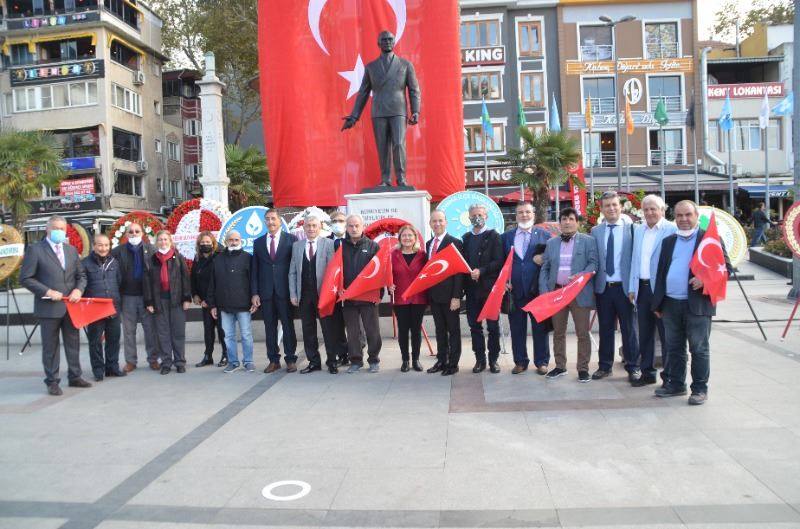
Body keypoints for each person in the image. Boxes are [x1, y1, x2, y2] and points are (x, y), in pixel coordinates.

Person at [652, 200, 730, 405]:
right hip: (670, 304)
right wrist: (658, 304)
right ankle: (677, 385)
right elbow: (661, 273)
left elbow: (725, 268)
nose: (684, 219)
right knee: (674, 348)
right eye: (679, 215)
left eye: (688, 215)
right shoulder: (668, 242)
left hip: (697, 305)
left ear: (696, 216)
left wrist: (705, 279)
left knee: (699, 349)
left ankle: (699, 389)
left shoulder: (709, 239)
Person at [20, 215, 90, 395]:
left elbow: (81, 275)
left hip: (70, 306)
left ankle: (75, 376)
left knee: (73, 343)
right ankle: (52, 381)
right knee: (50, 347)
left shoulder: (71, 250)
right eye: (55, 228)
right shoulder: (35, 250)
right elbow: (26, 278)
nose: (59, 231)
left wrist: (78, 290)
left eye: (62, 229)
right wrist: (47, 291)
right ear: (47, 229)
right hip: (48, 308)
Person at [341, 30, 420, 187]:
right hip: (379, 111)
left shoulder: (405, 65)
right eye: (384, 40)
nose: (387, 42)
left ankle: (401, 178)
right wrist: (354, 116)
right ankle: (385, 179)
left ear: (394, 42)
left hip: (398, 110)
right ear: (379, 43)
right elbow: (363, 92)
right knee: (382, 146)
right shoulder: (371, 67)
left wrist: (415, 110)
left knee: (398, 143)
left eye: (390, 39)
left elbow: (414, 89)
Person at [539, 208, 599, 382]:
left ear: (577, 222)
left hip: (579, 292)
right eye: (564, 219)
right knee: (558, 332)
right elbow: (545, 267)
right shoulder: (551, 243)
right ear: (559, 223)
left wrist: (580, 276)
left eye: (571, 219)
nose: (567, 222)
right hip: (557, 293)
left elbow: (593, 264)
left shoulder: (588, 241)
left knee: (582, 333)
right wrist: (545, 292)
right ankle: (560, 366)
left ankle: (583, 368)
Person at [628, 195, 677, 387]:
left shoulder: (671, 229)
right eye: (646, 209)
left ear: (662, 210)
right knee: (645, 334)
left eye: (653, 209)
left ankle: (669, 376)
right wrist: (632, 287)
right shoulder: (639, 230)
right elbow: (635, 260)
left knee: (666, 335)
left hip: (662, 290)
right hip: (642, 288)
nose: (649, 213)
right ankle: (647, 373)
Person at [591, 191, 639, 381]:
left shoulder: (633, 230)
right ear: (601, 209)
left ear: (620, 207)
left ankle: (633, 366)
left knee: (630, 329)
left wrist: (634, 287)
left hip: (625, 289)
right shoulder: (596, 231)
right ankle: (605, 366)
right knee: (605, 329)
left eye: (614, 205)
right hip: (604, 288)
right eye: (607, 205)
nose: (611, 208)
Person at [501, 201, 551, 375]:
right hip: (514, 291)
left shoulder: (545, 235)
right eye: (520, 212)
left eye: (527, 212)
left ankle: (542, 362)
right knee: (517, 328)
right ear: (516, 216)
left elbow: (553, 259)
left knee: (540, 328)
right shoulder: (506, 237)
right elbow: (502, 262)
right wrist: (503, 281)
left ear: (533, 214)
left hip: (537, 291)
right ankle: (520, 361)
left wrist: (544, 258)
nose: (524, 215)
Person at [289, 214, 338, 374]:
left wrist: (331, 293)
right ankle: (314, 362)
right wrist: (293, 293)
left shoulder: (329, 244)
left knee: (328, 329)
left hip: (324, 295)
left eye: (314, 226)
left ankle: (332, 362)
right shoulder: (297, 246)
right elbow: (292, 272)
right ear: (303, 228)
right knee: (308, 330)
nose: (311, 228)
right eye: (308, 226)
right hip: (304, 295)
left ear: (320, 227)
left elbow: (333, 271)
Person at [251, 209, 299, 373]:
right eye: (267, 219)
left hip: (285, 292)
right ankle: (273, 360)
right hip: (266, 293)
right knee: (269, 328)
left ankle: (291, 359)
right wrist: (255, 293)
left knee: (288, 326)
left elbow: (295, 267)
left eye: (273, 218)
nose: (270, 222)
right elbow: (255, 269)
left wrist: (294, 291)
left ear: (279, 221)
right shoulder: (258, 242)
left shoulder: (291, 240)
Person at [462, 204, 504, 373]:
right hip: (472, 290)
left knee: (493, 326)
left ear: (486, 216)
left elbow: (499, 261)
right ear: (469, 218)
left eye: (480, 214)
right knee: (474, 327)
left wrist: (482, 271)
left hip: (489, 290)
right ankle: (480, 359)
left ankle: (494, 359)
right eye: (473, 215)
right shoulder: (466, 238)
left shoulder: (494, 236)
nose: (476, 218)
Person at [207, 230, 257, 373]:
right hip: (224, 305)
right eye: (231, 240)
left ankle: (248, 362)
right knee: (228, 336)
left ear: (240, 241)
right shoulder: (218, 259)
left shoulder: (248, 258)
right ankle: (233, 362)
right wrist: (212, 305)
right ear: (226, 241)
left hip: (244, 305)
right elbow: (212, 283)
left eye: (236, 240)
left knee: (246, 335)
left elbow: (253, 280)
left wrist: (254, 298)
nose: (233, 242)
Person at [144, 231, 191, 375]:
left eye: (165, 239)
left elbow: (185, 279)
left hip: (177, 300)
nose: (163, 242)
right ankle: (166, 363)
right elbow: (147, 282)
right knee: (163, 333)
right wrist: (149, 302)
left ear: (170, 241)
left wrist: (186, 298)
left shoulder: (178, 258)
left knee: (178, 332)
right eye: (160, 240)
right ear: (156, 242)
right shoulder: (152, 260)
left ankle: (180, 362)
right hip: (159, 301)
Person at [112, 222, 157, 372]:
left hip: (147, 297)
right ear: (126, 234)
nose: (134, 234)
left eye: (137, 231)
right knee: (128, 331)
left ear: (142, 233)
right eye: (130, 232)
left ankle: (153, 359)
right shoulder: (118, 251)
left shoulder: (151, 250)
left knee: (150, 330)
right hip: (127, 297)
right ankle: (131, 361)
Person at [341, 214, 383, 373]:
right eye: (350, 226)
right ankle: (356, 361)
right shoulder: (341, 247)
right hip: (348, 297)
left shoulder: (373, 246)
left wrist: (379, 294)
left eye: (357, 225)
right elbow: (337, 271)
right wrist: (339, 288)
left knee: (372, 331)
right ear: (346, 228)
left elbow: (380, 271)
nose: (354, 228)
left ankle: (374, 360)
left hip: (369, 296)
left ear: (363, 226)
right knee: (353, 332)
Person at [82, 233, 126, 381]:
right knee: (95, 342)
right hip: (95, 309)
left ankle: (112, 368)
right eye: (100, 245)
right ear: (94, 246)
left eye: (106, 245)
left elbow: (119, 282)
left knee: (113, 339)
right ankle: (98, 370)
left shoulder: (114, 262)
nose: (103, 248)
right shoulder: (85, 264)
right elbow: (82, 285)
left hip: (113, 307)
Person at [425, 210, 464, 376]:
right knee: (440, 330)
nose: (437, 224)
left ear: (446, 222)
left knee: (453, 330)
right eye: (434, 221)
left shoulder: (455, 242)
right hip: (434, 296)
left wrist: (456, 296)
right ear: (430, 224)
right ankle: (442, 360)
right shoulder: (428, 244)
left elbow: (459, 272)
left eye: (440, 220)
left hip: (450, 297)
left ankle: (453, 363)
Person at [389, 224, 427, 372]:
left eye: (410, 235)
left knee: (416, 330)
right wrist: (389, 285)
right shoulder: (393, 255)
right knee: (403, 330)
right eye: (404, 235)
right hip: (400, 298)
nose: (407, 238)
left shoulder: (422, 255)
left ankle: (416, 359)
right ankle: (405, 360)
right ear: (400, 238)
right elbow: (387, 275)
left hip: (418, 298)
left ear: (415, 238)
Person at [191, 232, 227, 367]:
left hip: (218, 300)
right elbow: (193, 278)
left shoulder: (219, 257)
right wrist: (195, 294)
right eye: (202, 242)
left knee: (222, 330)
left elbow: (220, 280)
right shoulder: (197, 259)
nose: (205, 244)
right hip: (204, 301)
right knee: (208, 330)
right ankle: (208, 356)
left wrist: (210, 300)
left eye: (207, 242)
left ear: (213, 243)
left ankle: (226, 355)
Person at [327, 210, 351, 367]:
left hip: (351, 288)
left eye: (341, 221)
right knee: (337, 325)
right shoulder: (325, 242)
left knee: (355, 324)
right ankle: (342, 354)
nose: (338, 224)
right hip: (332, 290)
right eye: (335, 221)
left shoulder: (353, 240)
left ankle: (355, 352)